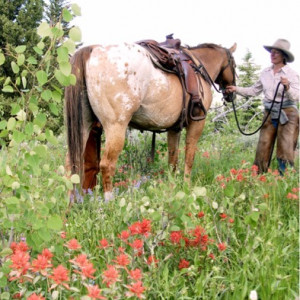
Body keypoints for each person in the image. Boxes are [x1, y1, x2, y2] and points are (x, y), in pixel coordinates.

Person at [226, 39, 299, 174]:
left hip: (288, 113)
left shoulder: (291, 74)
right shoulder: (265, 73)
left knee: (286, 147)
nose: (273, 54)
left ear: (283, 56)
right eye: (272, 52)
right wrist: (236, 89)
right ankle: (258, 177)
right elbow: (254, 90)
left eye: (276, 53)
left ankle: (285, 179)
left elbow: (296, 96)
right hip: (269, 112)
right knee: (263, 146)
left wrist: (287, 86)